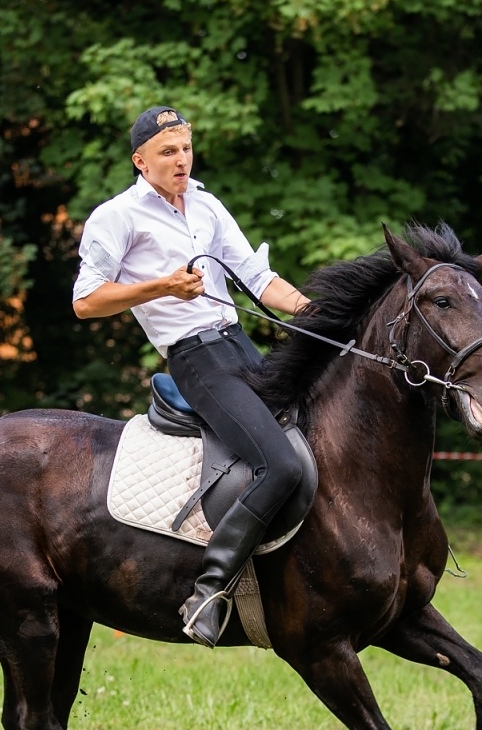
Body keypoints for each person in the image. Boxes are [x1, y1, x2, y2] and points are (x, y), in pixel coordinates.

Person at [73, 106, 311, 647]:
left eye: (185, 148)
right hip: (195, 361)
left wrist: (315, 314)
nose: (181, 160)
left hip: (241, 347)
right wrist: (162, 287)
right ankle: (209, 590)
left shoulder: (206, 204)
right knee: (279, 465)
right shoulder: (117, 217)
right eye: (168, 152)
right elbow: (86, 301)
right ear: (141, 161)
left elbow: (258, 278)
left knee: (317, 437)